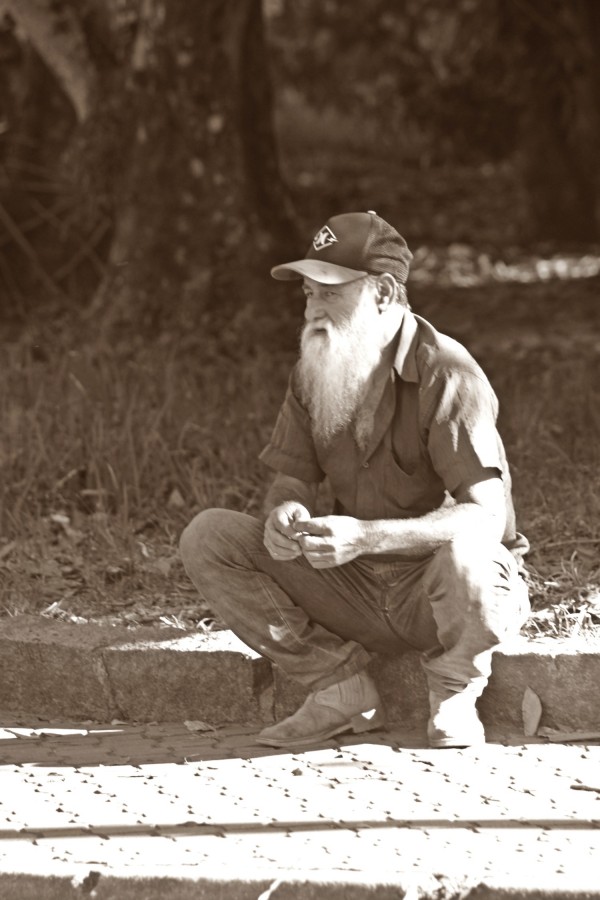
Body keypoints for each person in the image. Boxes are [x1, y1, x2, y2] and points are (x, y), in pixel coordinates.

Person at [180, 210, 530, 750]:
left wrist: (366, 537)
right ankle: (339, 687)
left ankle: (455, 690)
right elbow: (289, 478)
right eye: (307, 295)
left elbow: (486, 516)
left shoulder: (448, 371)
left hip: (439, 593)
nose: (313, 310)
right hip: (355, 586)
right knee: (210, 537)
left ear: (384, 292)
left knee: (468, 552)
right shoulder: (314, 365)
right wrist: (285, 513)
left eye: (329, 293)